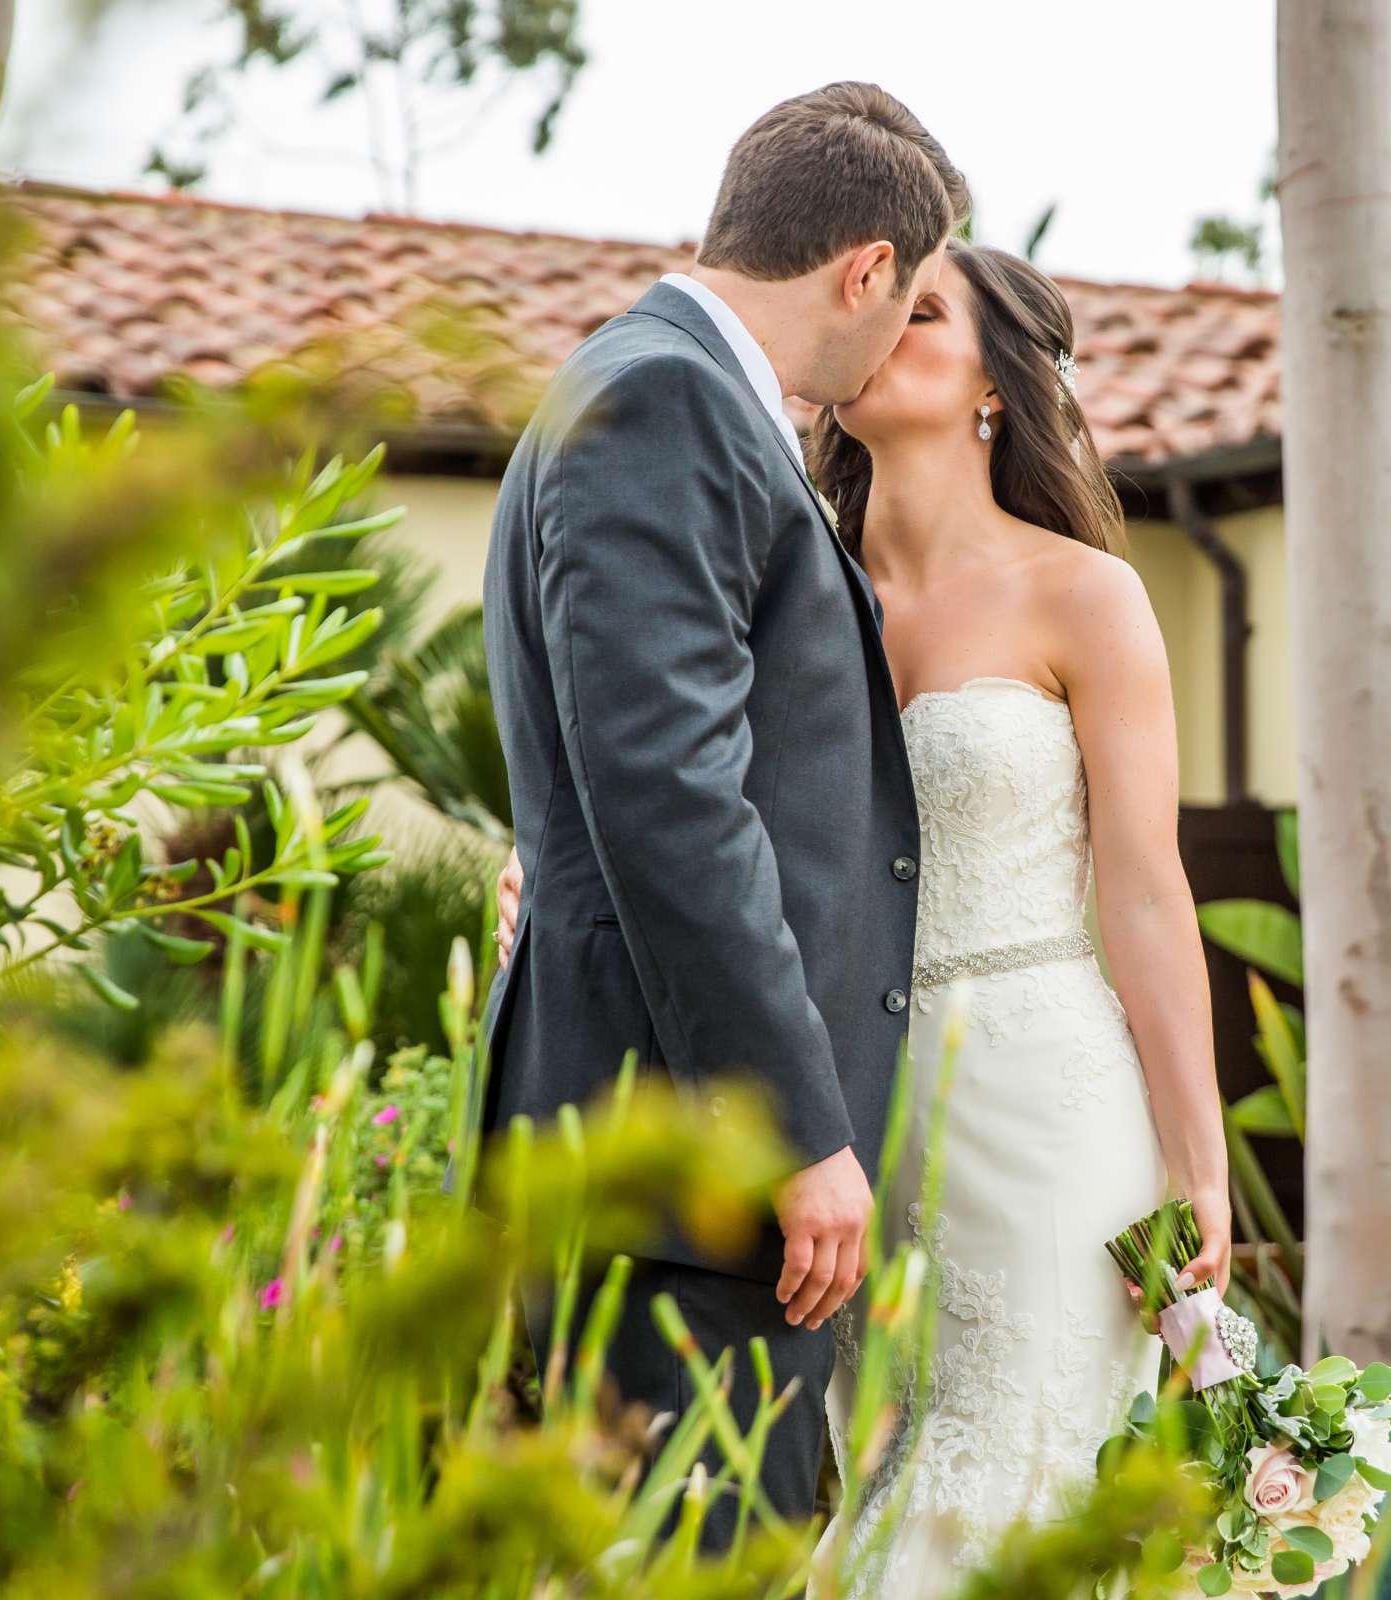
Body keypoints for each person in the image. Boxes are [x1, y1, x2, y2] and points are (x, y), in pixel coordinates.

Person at [494, 235, 1233, 1590]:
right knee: (861, 1460)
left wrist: (1200, 1163)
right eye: (886, 300)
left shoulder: (1088, 595)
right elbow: (677, 793)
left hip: (1042, 1095)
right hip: (840, 1101)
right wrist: (555, 865)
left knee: (1025, 1450)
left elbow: (1141, 886)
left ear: (996, 386)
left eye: (927, 309)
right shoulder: (788, 577)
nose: (886, 323)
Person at [469, 81, 968, 1549]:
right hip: (679, 1173)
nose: (898, 337)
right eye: (914, 297)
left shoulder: (657, 387)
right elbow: (668, 791)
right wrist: (796, 1132)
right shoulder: (670, 399)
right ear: (866, 267)